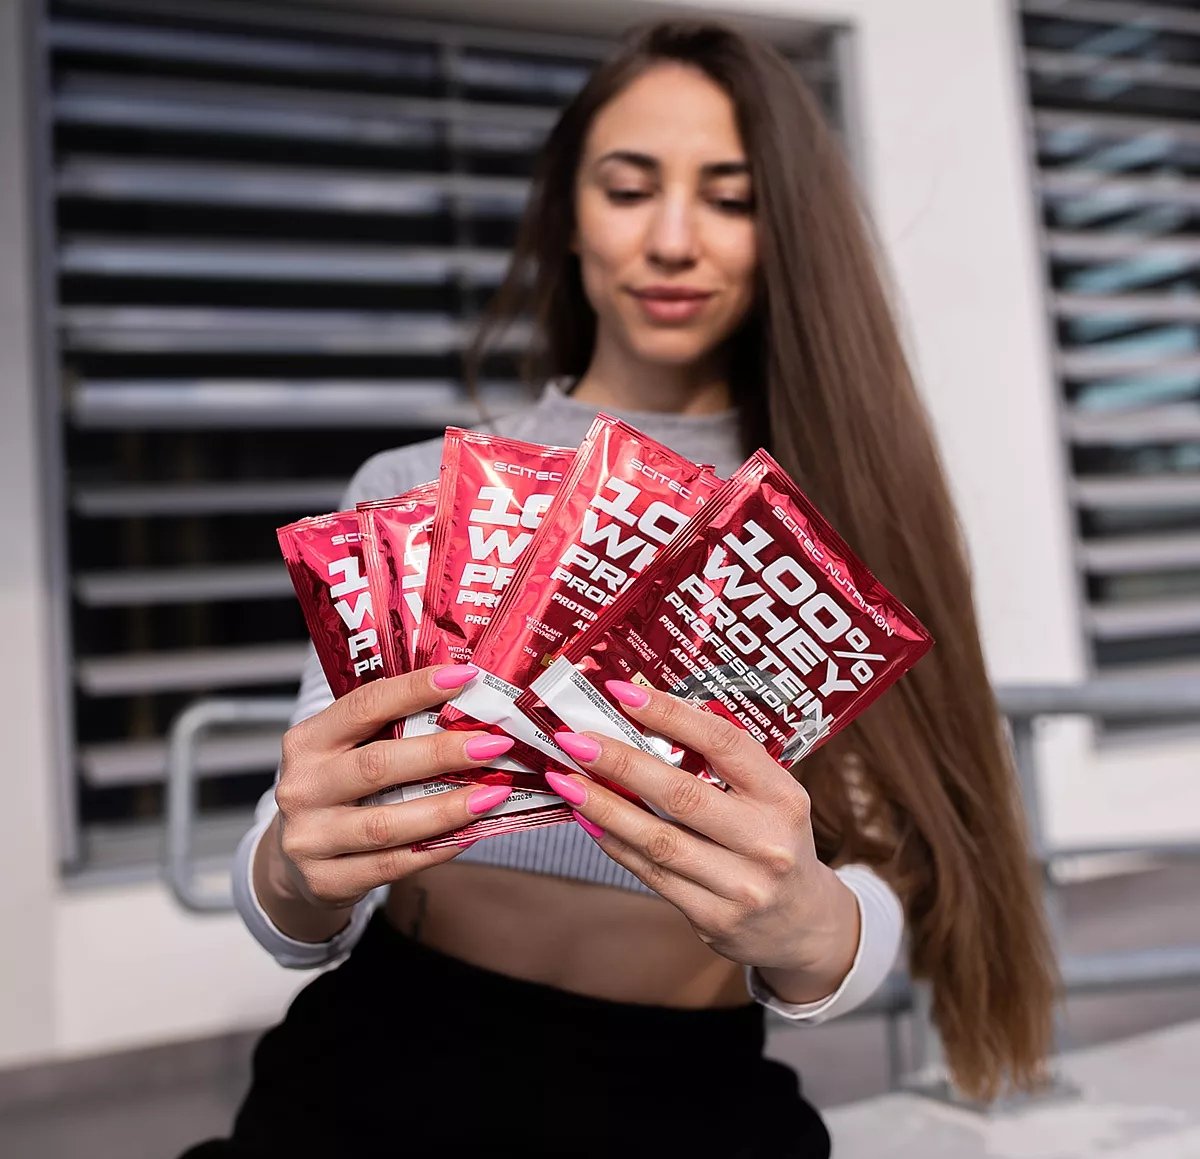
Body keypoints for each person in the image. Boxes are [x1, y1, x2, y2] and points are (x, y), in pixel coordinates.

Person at [185, 19, 1055, 1158]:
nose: (673, 240)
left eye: (732, 198)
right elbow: (292, 867)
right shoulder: (415, 488)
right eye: (629, 188)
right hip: (379, 1066)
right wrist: (292, 870)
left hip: (691, 1099)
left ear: (787, 228)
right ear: (569, 212)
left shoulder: (847, 518)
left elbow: (898, 878)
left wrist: (813, 928)